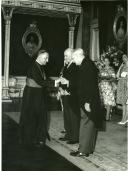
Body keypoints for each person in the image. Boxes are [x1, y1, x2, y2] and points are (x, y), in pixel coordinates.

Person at [70, 49, 104, 157]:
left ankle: (83, 150)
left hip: (88, 101)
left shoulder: (87, 66)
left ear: (79, 55)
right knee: (90, 124)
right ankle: (88, 149)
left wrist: (88, 102)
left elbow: (90, 86)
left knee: (86, 123)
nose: (73, 61)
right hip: (88, 100)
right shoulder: (87, 64)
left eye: (73, 58)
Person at [19, 50, 55, 147]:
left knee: (40, 116)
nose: (47, 60)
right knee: (32, 116)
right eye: (45, 58)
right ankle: (32, 139)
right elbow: (40, 82)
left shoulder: (40, 67)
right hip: (32, 95)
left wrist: (54, 82)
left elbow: (43, 80)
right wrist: (56, 83)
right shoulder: (33, 67)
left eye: (47, 58)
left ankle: (38, 138)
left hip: (37, 94)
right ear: (39, 57)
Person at [57, 48, 80, 144]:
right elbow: (63, 79)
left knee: (73, 116)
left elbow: (77, 82)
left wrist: (67, 90)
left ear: (72, 56)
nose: (64, 58)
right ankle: (68, 134)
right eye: (64, 56)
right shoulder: (67, 66)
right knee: (67, 115)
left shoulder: (75, 66)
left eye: (66, 56)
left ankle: (75, 137)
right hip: (65, 94)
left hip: (72, 95)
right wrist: (61, 89)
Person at [116, 54, 128, 125]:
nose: (124, 59)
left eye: (125, 57)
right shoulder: (123, 66)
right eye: (123, 57)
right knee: (124, 104)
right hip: (122, 85)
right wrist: (120, 66)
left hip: (126, 85)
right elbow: (117, 76)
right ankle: (124, 119)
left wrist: (121, 78)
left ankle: (125, 119)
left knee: (126, 103)